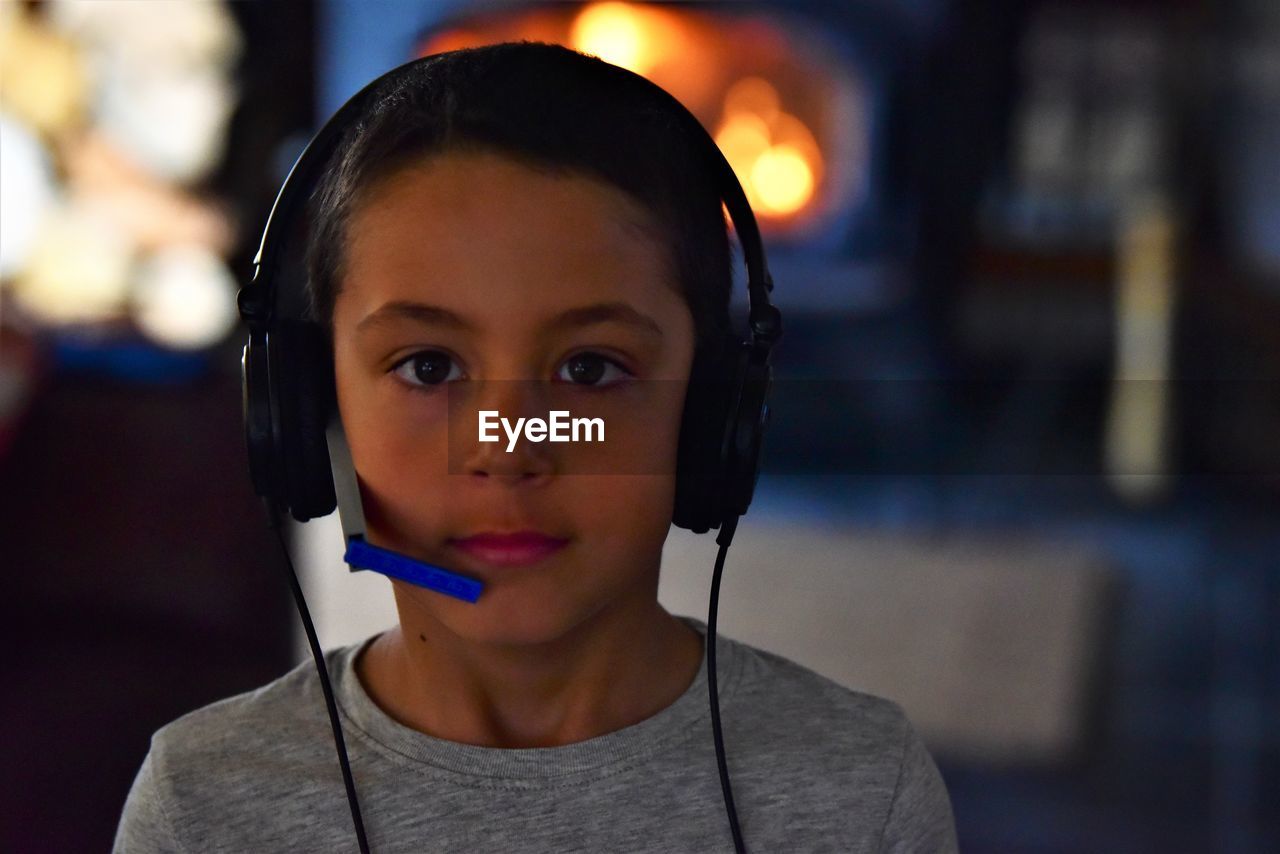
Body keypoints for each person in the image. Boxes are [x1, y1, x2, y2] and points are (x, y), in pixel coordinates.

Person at [114, 42, 958, 852]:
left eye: (590, 369)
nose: (508, 447)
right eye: (429, 366)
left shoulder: (860, 790)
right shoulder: (206, 806)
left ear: (711, 411)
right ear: (309, 409)